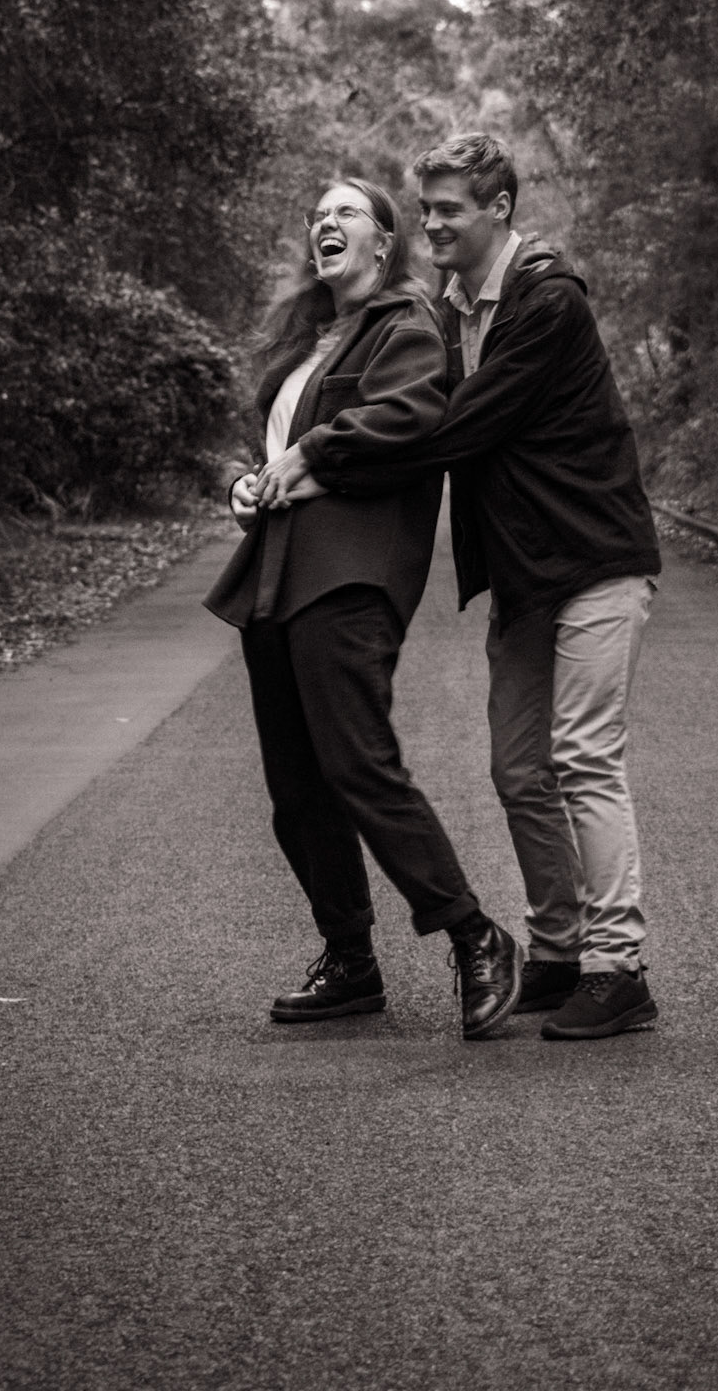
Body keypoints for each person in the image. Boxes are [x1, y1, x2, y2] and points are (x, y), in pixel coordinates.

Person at [258, 136, 663, 1041]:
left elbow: (458, 427)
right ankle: (557, 951)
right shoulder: (446, 312)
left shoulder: (547, 300)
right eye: (426, 208)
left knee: (582, 757)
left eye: (449, 209)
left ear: (500, 209)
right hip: (522, 573)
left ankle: (618, 968)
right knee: (518, 769)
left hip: (594, 558)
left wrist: (320, 462)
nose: (432, 224)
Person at [205, 177, 522, 1042]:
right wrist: (245, 482)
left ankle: (475, 935)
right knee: (295, 788)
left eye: (345, 211)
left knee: (357, 764)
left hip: (348, 574)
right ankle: (349, 960)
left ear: (384, 242)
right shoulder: (307, 342)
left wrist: (314, 450)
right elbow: (265, 450)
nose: (325, 222)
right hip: (273, 576)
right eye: (317, 215)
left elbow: (413, 414)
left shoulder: (405, 323)